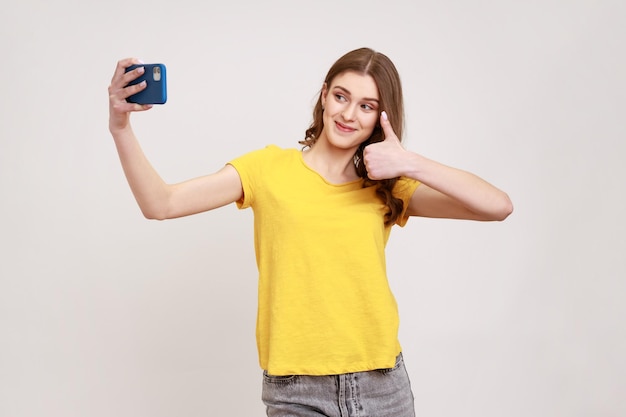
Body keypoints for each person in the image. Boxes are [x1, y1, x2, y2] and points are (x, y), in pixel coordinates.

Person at [108, 47, 513, 417]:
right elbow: (161, 204)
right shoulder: (267, 170)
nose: (349, 114)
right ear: (323, 95)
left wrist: (410, 162)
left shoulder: (387, 187)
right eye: (341, 96)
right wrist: (121, 128)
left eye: (366, 106)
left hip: (383, 387)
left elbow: (497, 207)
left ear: (380, 117)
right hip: (297, 392)